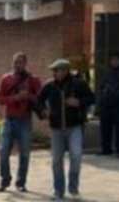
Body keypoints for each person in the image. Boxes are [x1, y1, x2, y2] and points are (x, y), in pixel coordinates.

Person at [37, 58, 95, 200]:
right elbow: (38, 101)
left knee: (76, 156)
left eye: (57, 70)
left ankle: (73, 189)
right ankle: (58, 190)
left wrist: (79, 102)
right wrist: (43, 111)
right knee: (57, 160)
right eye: (54, 71)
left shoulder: (79, 84)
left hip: (74, 127)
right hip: (56, 128)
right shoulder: (49, 85)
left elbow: (92, 98)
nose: (54, 73)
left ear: (65, 70)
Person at [0, 52, 42, 192]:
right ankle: (5, 180)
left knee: (24, 153)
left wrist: (29, 96)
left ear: (25, 63)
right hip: (8, 120)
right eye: (15, 62)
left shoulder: (33, 80)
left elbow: (40, 99)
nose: (17, 65)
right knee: (3, 151)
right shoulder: (6, 78)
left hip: (24, 120)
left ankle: (21, 183)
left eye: (20, 62)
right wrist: (15, 98)